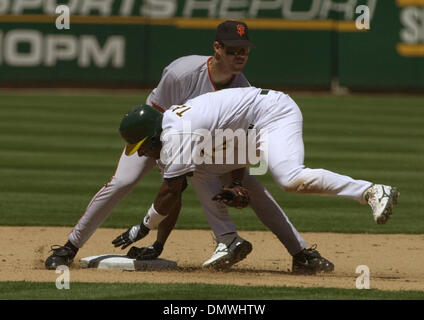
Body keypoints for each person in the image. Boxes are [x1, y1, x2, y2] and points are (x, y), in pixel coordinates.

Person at [44, 21, 328, 274]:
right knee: (123, 181)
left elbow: (241, 146)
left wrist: (238, 182)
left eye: (244, 50)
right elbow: (154, 117)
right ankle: (69, 247)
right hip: (155, 134)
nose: (239, 55)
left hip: (201, 141)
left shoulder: (243, 89)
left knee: (253, 186)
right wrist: (163, 160)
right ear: (217, 48)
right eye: (232, 49)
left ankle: (300, 253)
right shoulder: (181, 72)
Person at [115, 88, 399, 271]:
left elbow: (170, 192)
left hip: (273, 115)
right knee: (201, 171)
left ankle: (372, 191)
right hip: (247, 131)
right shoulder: (173, 129)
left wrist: (141, 228)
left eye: (142, 148)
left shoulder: (177, 135)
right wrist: (158, 243)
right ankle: (232, 242)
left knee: (290, 178)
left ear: (152, 136)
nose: (142, 155)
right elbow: (176, 191)